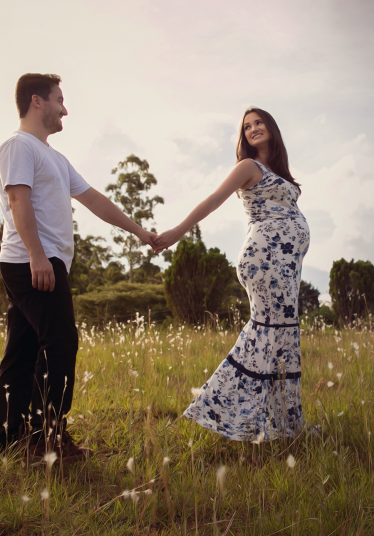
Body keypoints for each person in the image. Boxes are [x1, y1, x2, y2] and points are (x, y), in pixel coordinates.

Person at [0, 74, 159, 460]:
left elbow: (95, 200)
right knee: (60, 343)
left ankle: (9, 435)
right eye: (59, 100)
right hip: (32, 260)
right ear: (37, 102)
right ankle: (45, 438)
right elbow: (18, 201)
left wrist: (139, 231)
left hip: (42, 261)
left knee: (22, 350)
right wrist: (38, 256)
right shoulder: (19, 146)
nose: (64, 109)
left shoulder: (54, 157)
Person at [154, 107, 310, 441]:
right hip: (265, 260)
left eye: (259, 122)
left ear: (271, 127)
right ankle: (218, 408)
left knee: (282, 337)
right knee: (267, 334)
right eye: (247, 126)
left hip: (286, 266)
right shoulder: (248, 167)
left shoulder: (278, 172)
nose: (253, 128)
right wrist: (178, 231)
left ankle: (283, 425)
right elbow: (214, 200)